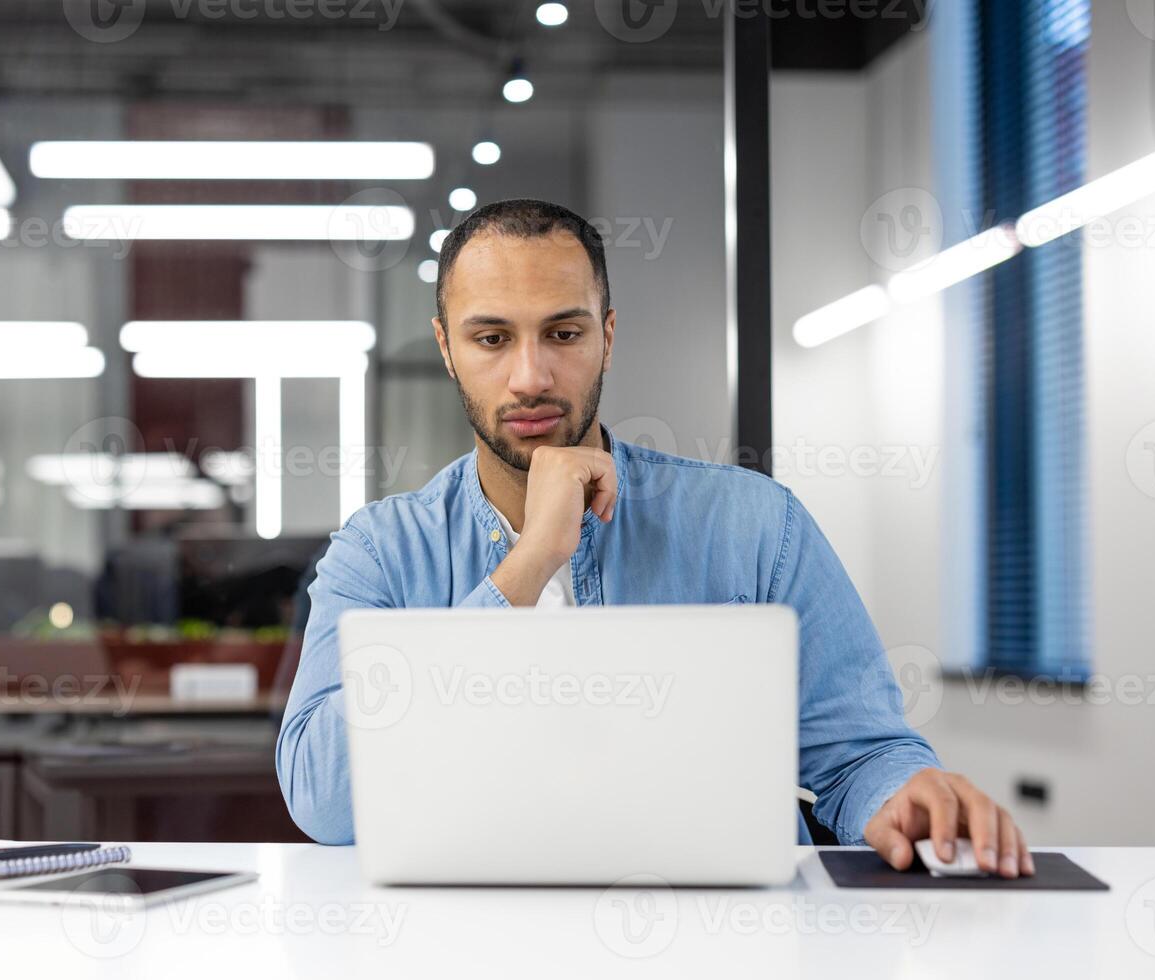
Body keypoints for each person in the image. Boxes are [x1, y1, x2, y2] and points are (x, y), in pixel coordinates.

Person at [276, 198, 1034, 878]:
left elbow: (862, 754)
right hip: (468, 945)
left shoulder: (756, 526)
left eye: (563, 332)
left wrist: (903, 796)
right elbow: (323, 798)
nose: (530, 375)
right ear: (446, 348)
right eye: (492, 338)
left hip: (729, 940)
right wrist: (530, 561)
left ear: (607, 336)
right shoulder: (378, 551)